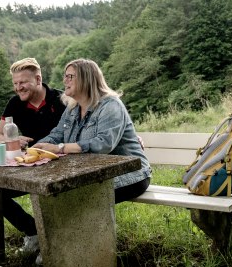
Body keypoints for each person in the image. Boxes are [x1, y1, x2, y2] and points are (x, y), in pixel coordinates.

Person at [34, 58, 151, 203]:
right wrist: (35, 149)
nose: (65, 81)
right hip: (93, 174)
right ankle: (37, 227)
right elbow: (57, 134)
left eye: (70, 76)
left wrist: (61, 148)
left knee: (71, 196)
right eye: (64, 76)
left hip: (129, 175)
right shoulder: (72, 108)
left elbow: (103, 144)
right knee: (52, 193)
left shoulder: (111, 105)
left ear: (86, 79)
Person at [0, 58, 65, 254]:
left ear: (38, 79)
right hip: (30, 166)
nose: (18, 88)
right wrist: (11, 139)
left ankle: (53, 248)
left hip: (62, 166)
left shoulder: (62, 100)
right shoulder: (15, 104)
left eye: (22, 82)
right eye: (15, 83)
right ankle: (33, 232)